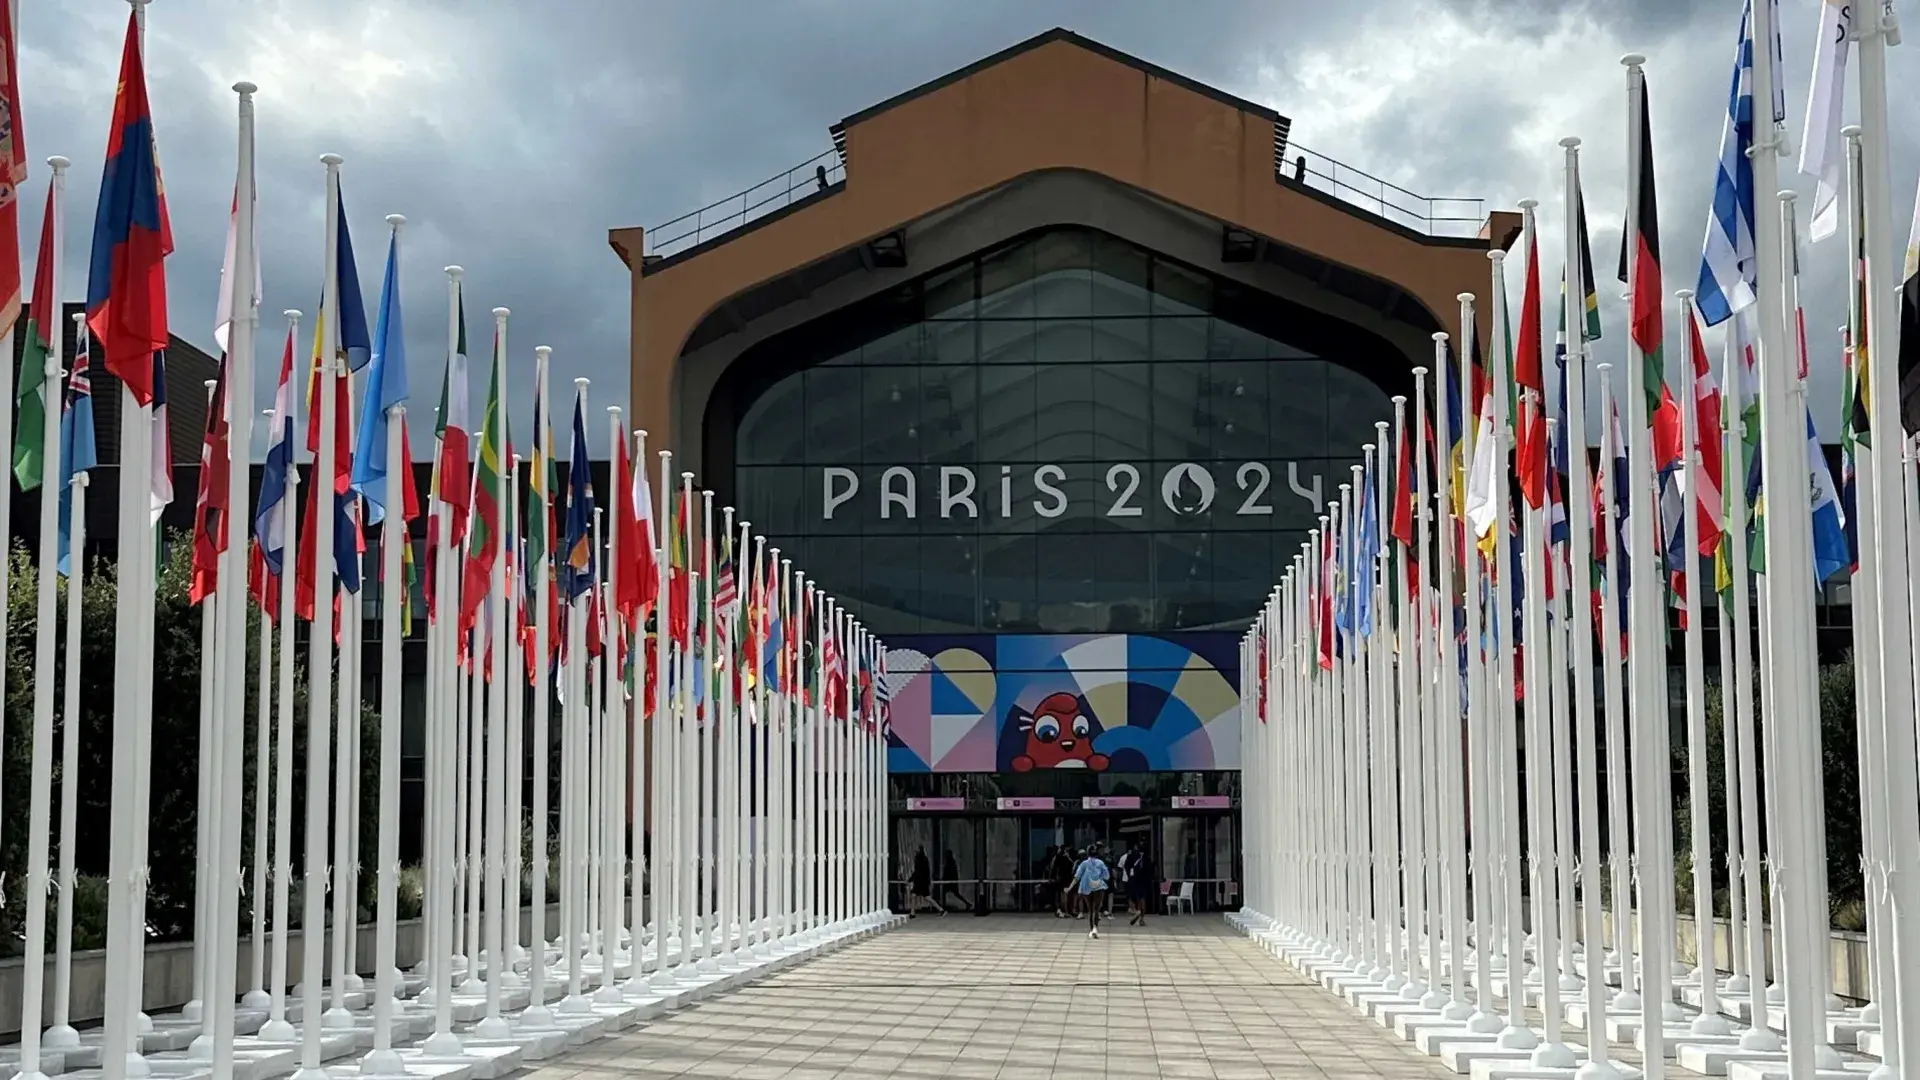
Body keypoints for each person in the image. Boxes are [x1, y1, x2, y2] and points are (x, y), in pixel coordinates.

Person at [1073, 845, 1112, 939]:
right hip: (1098, 887)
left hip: (1087, 887)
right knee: (1096, 909)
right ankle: (1095, 928)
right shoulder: (1101, 863)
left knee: (1090, 910)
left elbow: (1077, 875)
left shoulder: (1084, 863)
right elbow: (1107, 876)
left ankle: (1092, 929)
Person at [1122, 841, 1155, 926]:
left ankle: (1137, 912)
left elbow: (1126, 866)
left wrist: (1129, 874)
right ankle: (1141, 917)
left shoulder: (1135, 856)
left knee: (1132, 897)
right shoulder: (1145, 858)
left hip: (1136, 880)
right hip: (1141, 881)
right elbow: (1150, 870)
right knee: (1141, 898)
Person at [908, 845, 944, 917]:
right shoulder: (925, 859)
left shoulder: (918, 859)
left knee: (915, 895)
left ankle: (912, 913)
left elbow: (917, 871)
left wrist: (910, 879)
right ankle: (940, 909)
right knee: (926, 897)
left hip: (919, 882)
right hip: (924, 881)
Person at [1048, 846, 1074, 918]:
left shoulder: (1058, 857)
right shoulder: (1065, 858)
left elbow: (1052, 867)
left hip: (1061, 879)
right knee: (1063, 895)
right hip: (1064, 879)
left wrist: (1051, 878)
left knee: (1060, 895)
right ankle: (1063, 911)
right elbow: (1072, 866)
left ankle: (1061, 910)